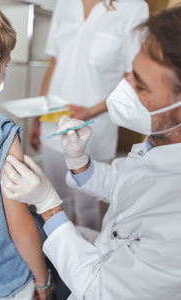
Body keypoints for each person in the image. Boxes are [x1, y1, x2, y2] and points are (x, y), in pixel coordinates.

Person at [1, 6, 181, 299]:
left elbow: (99, 289)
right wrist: (80, 161)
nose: (124, 88)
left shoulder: (175, 223)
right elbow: (124, 184)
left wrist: (49, 206)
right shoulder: (160, 147)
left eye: (140, 84)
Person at [29, 0, 149, 229]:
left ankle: (90, 259)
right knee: (53, 198)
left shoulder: (134, 7)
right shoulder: (66, 3)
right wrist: (38, 115)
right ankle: (56, 262)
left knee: (87, 205)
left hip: (95, 128)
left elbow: (132, 77)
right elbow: (55, 62)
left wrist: (90, 111)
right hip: (53, 122)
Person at [0, 1, 53, 299]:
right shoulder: (0, 132)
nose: (5, 72)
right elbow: (19, 224)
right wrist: (42, 281)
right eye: (6, 65)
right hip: (3, 281)